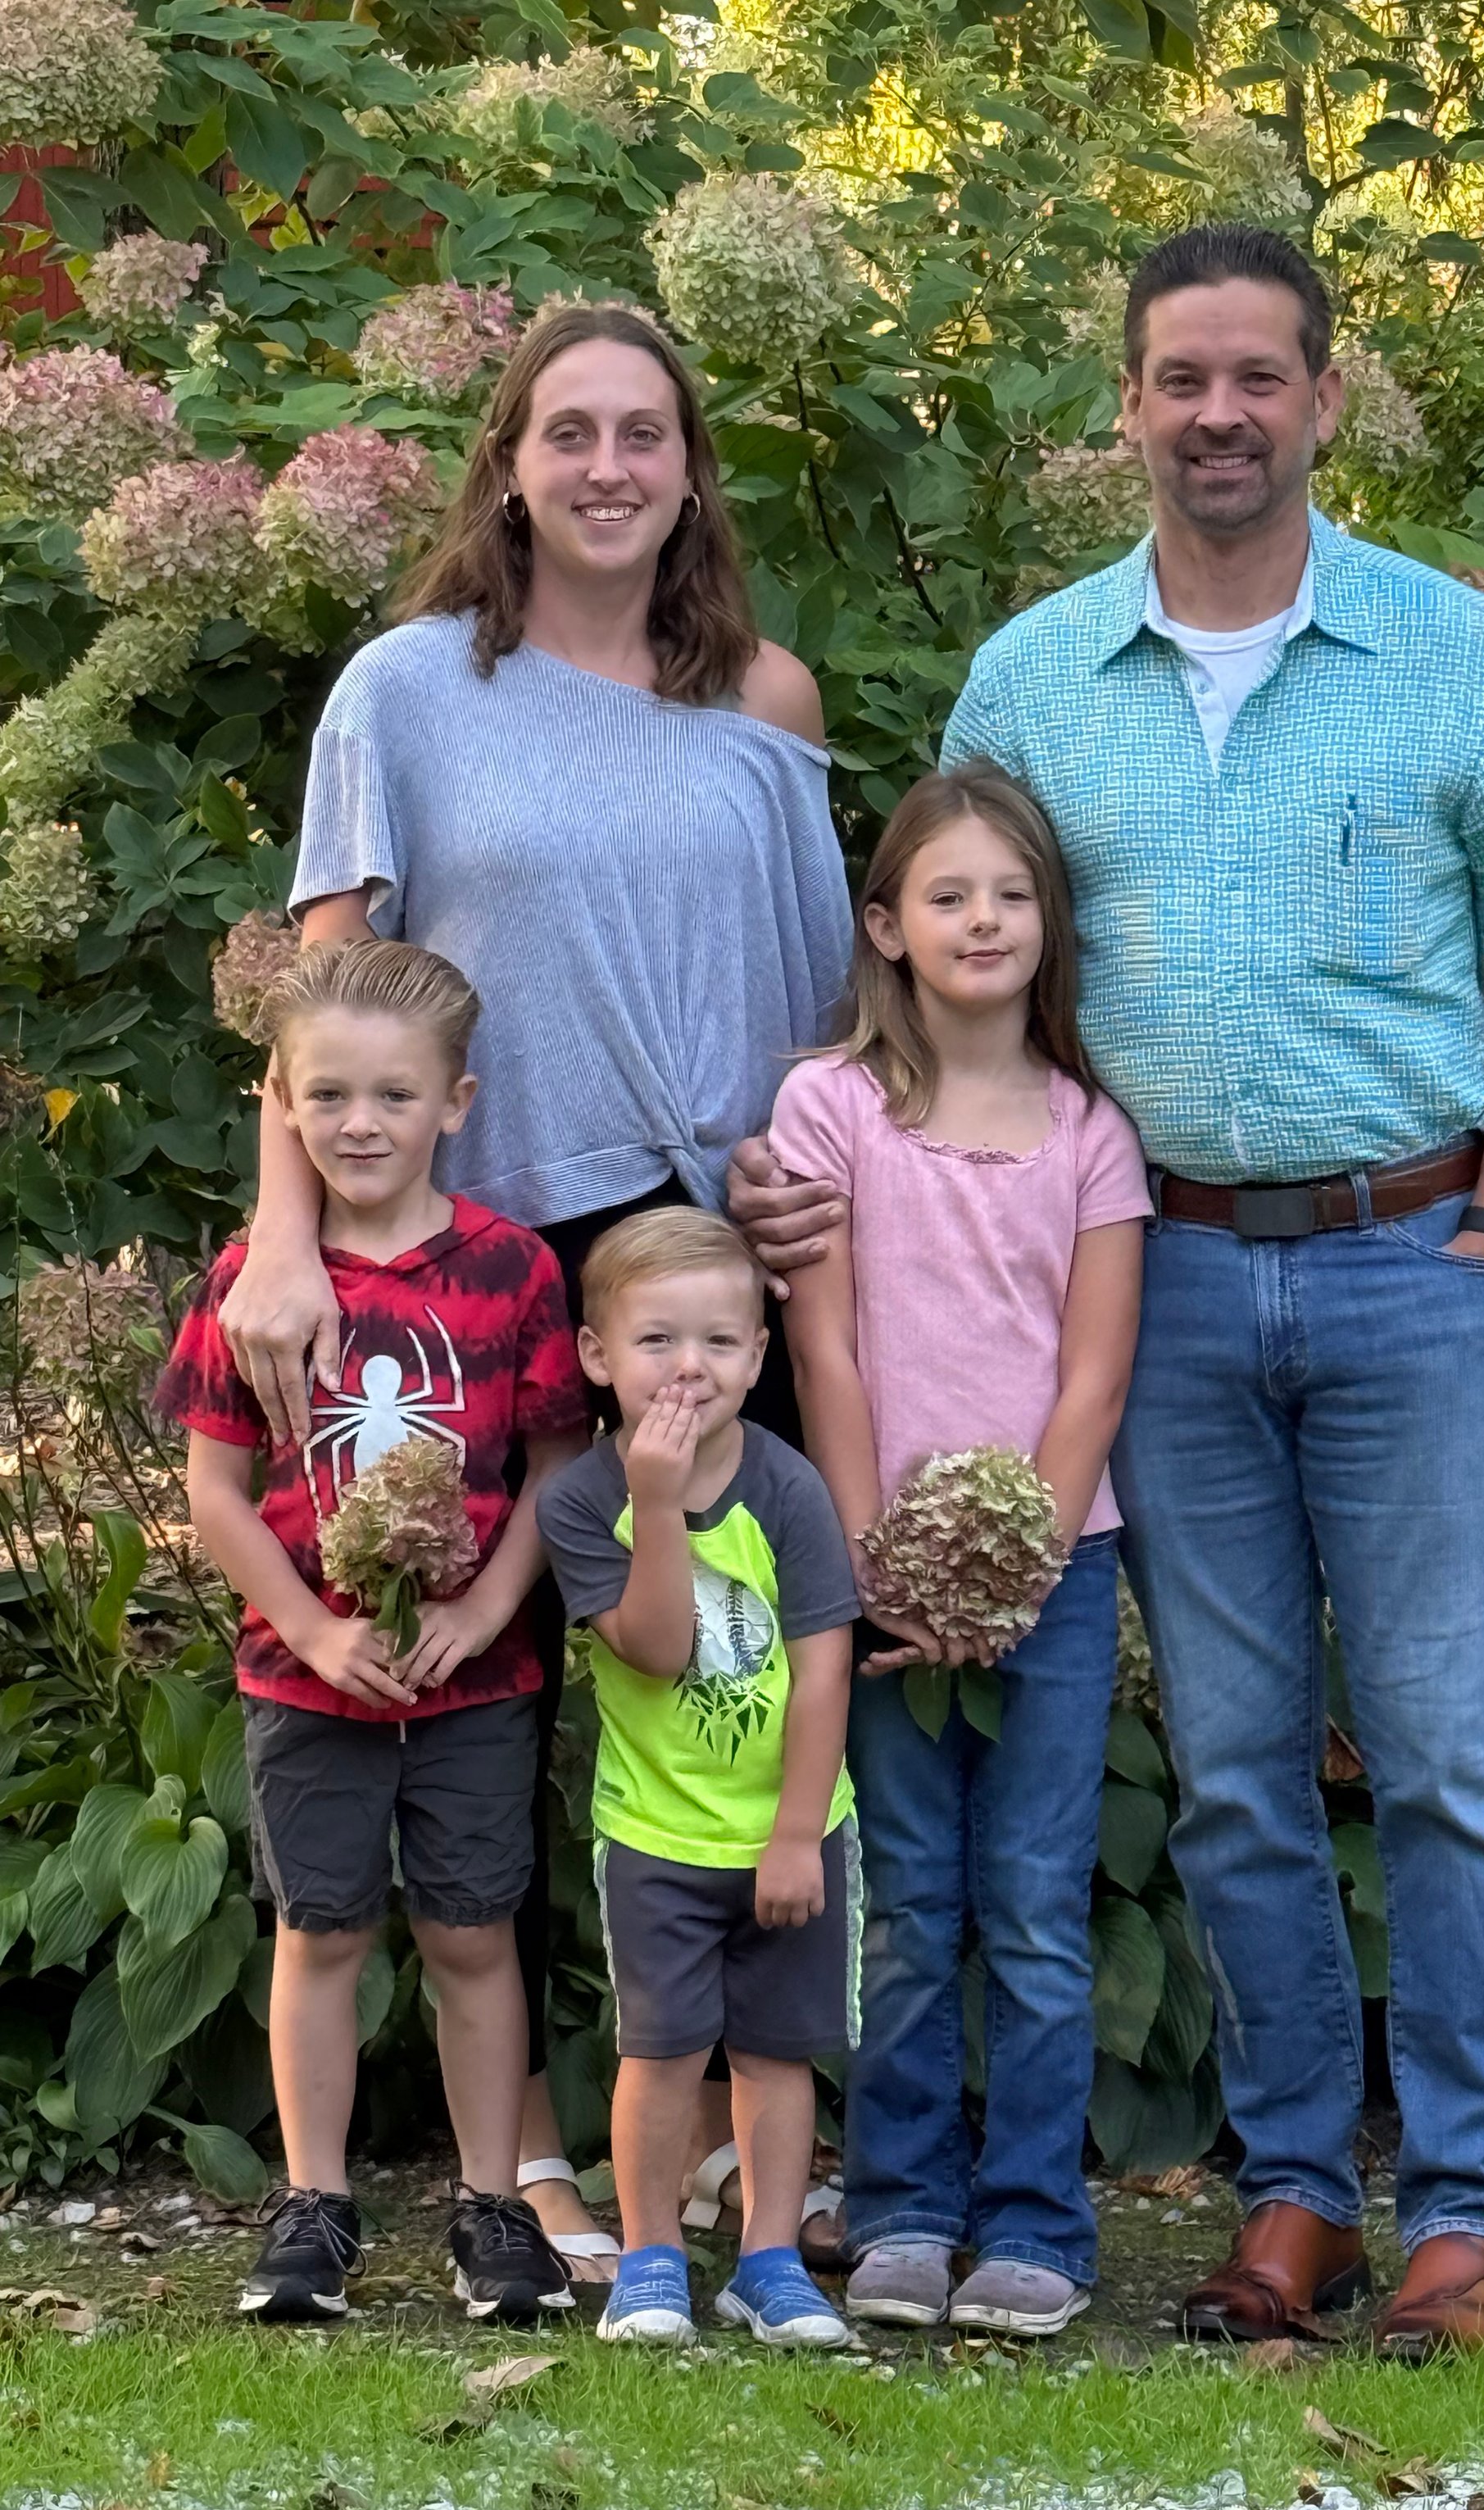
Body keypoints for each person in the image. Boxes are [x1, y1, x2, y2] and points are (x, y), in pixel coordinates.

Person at [733, 223, 1484, 2358]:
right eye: (1178, 378)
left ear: (1322, 394)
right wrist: (820, 1171)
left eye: (1257, 374)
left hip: (1417, 1264)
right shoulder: (1034, 679)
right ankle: (1297, 2188)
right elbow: (947, 963)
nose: (1217, 412)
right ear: (1124, 406)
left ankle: (1469, 2212)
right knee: (1233, 1769)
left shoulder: (1451, 652)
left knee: (1443, 1759)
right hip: (1166, 1288)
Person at [216, 302, 853, 2274]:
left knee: (716, 1687)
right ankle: (548, 2159)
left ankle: (742, 2139)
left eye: (641, 432)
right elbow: (330, 1017)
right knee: (501, 1702)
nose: (602, 466)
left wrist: (811, 1178)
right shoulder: (411, 690)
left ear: (688, 467)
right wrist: (290, 1238)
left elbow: (826, 999)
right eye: (564, 430)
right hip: (471, 1270)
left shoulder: (765, 698)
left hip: (698, 1274)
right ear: (507, 460)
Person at [768, 763, 1147, 2340]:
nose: (982, 918)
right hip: (874, 1573)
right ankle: (908, 2202)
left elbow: (1093, 1376)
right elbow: (828, 1351)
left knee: (1041, 1905)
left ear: (1048, 925)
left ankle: (1037, 2224)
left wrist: (1014, 1570)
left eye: (1010, 893)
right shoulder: (830, 1108)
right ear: (887, 926)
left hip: (1053, 1580)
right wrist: (879, 1563)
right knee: (913, 1898)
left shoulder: (1091, 1131)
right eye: (947, 894)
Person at [159, 939, 590, 2324]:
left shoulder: (514, 1273)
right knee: (321, 1932)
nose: (360, 1123)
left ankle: (490, 2202)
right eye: (327, 1095)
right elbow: (215, 1492)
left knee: (474, 1935)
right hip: (309, 1680)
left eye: (394, 1097)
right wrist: (310, 1627)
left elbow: (556, 1466)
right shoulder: (253, 1283)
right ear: (282, 1103)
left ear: (455, 1102)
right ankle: (314, 2205)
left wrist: (475, 1607)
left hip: (476, 1680)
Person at [536, 1210, 858, 2348]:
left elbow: (823, 1675)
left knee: (778, 2055)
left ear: (759, 1358)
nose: (688, 1368)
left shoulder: (790, 1487)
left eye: (720, 1343)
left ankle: (767, 2255)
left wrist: (791, 1835)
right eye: (657, 1340)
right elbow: (657, 1644)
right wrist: (659, 1499)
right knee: (660, 2049)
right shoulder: (581, 1500)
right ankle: (652, 2254)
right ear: (595, 1355)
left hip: (788, 1826)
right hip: (659, 1835)